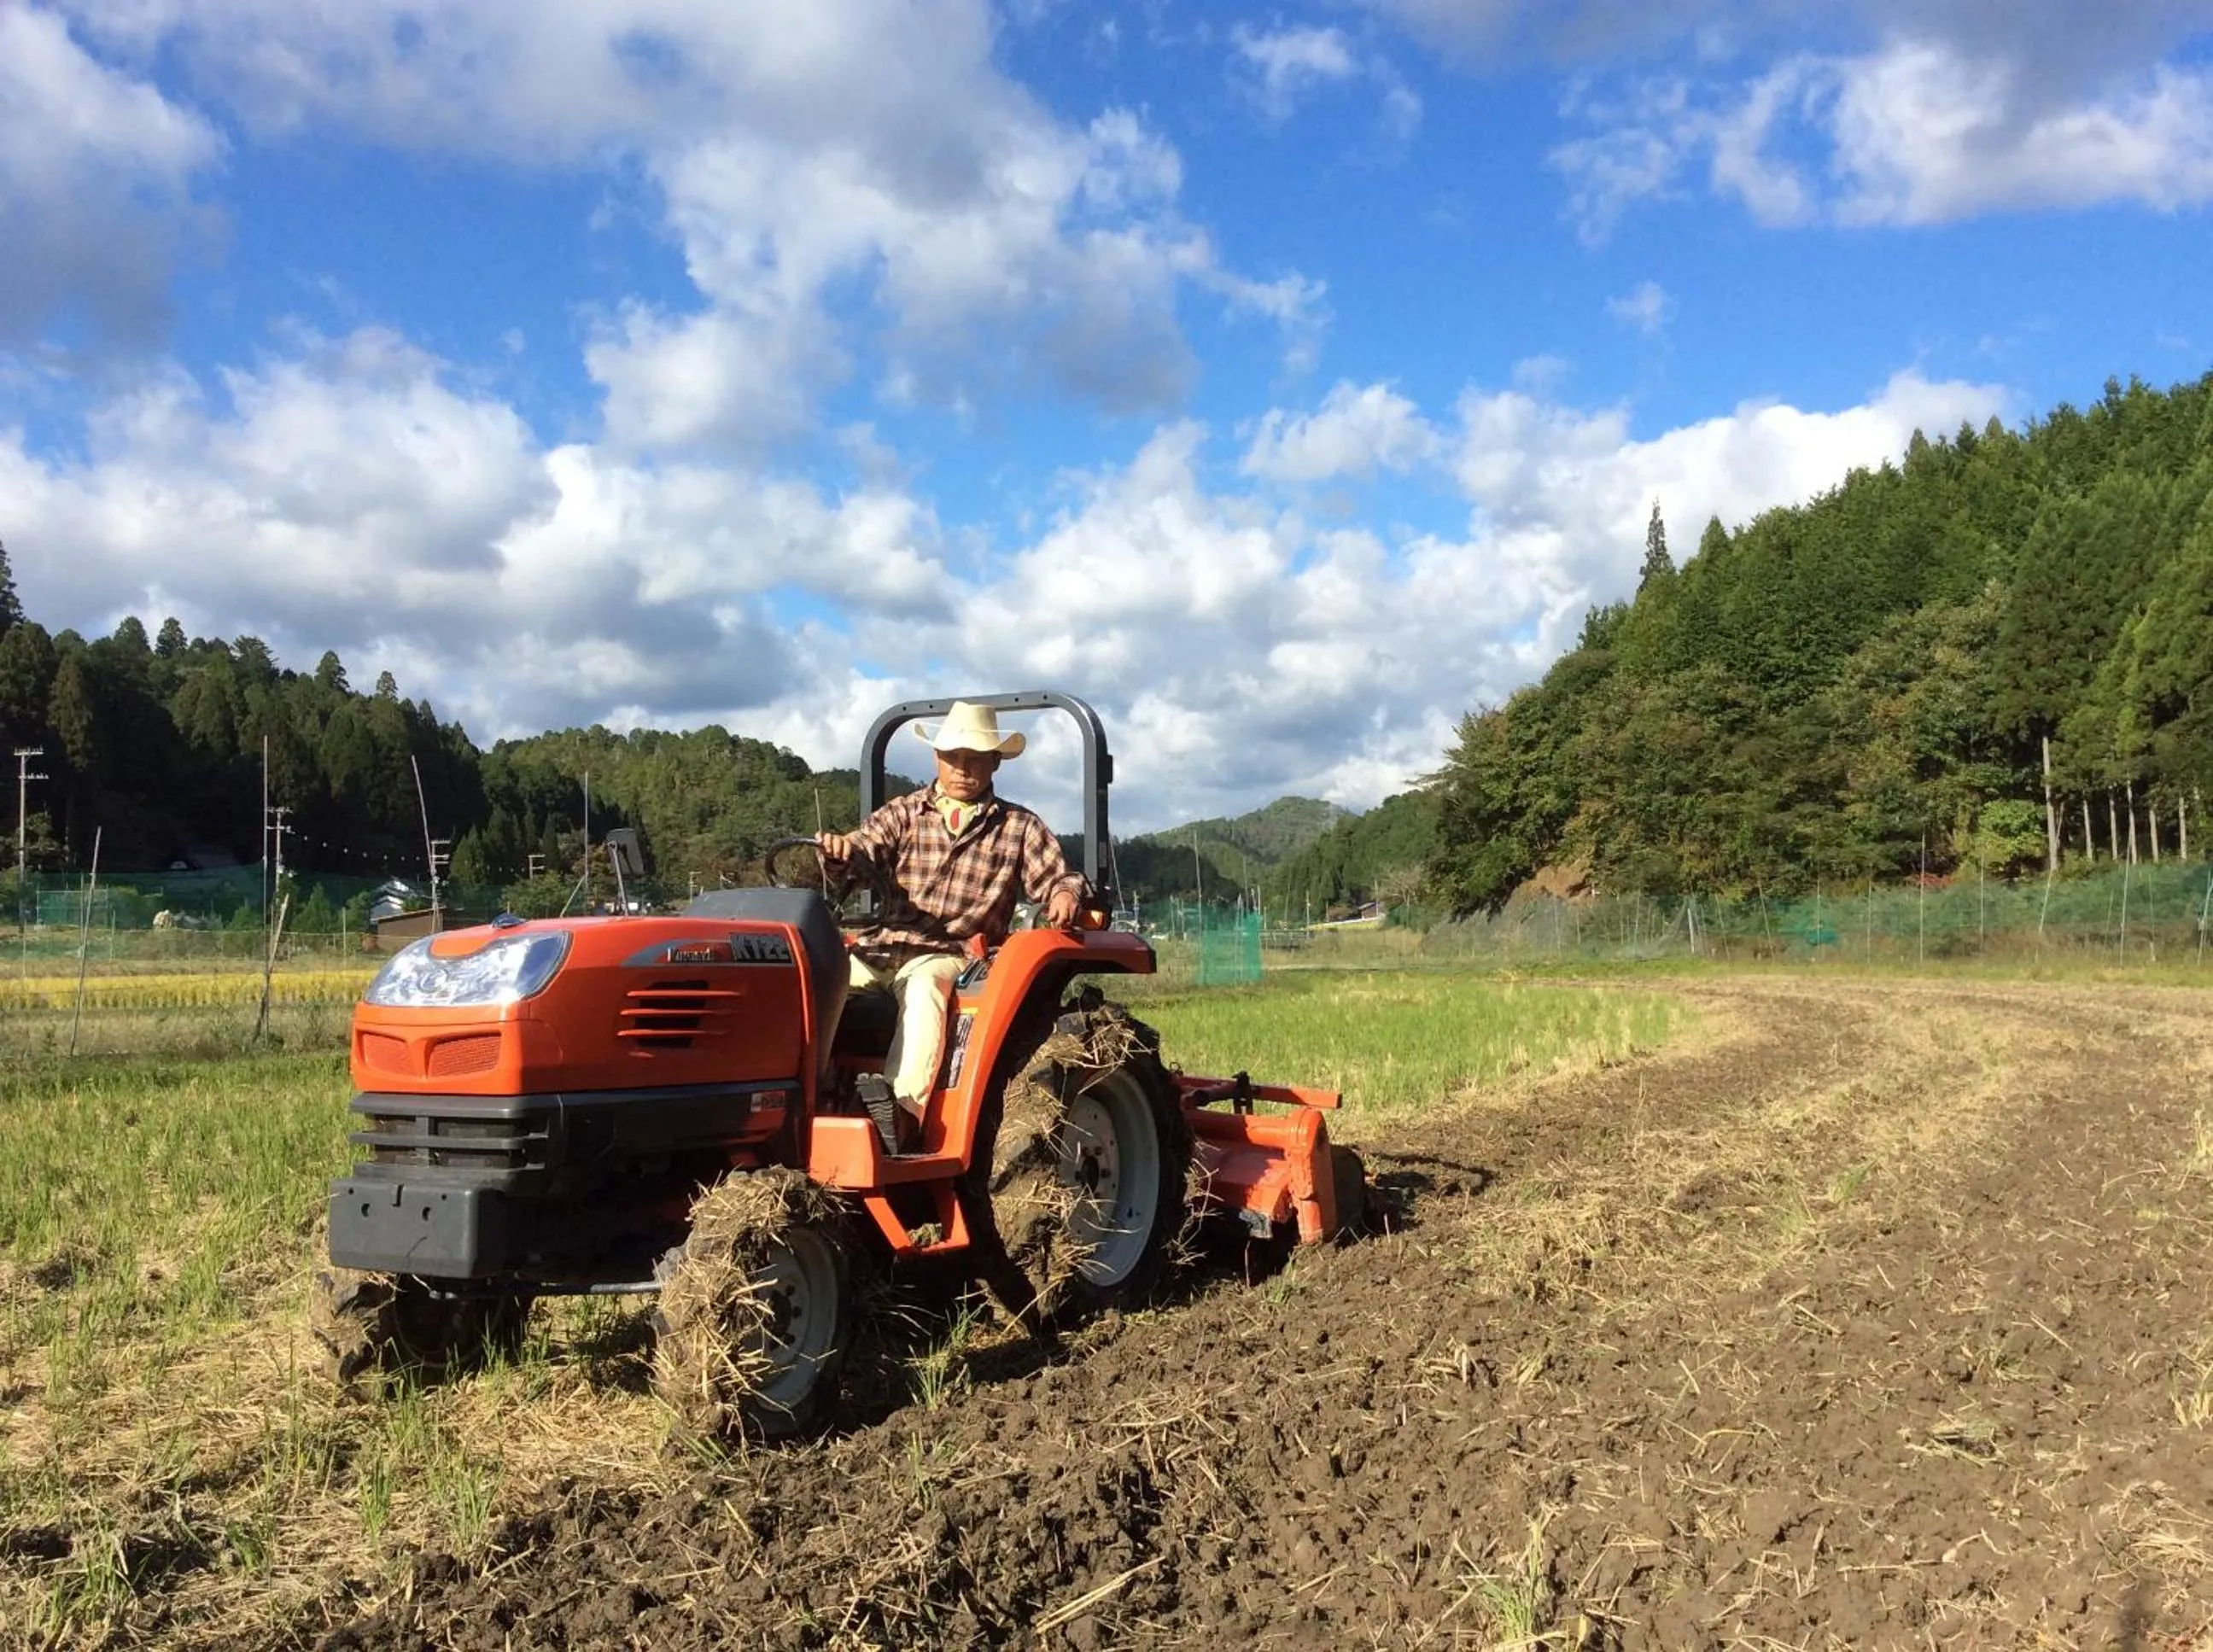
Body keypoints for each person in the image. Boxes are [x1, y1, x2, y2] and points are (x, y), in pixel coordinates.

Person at [819, 701, 1087, 1154]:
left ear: (995, 762)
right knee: (815, 983)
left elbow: (1058, 878)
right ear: (937, 758)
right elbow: (863, 849)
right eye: (954, 757)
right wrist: (840, 851)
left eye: (975, 759)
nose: (963, 769)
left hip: (947, 953)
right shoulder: (904, 813)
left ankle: (900, 1116)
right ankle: (805, 1094)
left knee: (925, 991)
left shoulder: (1019, 827)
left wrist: (1064, 894)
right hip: (880, 947)